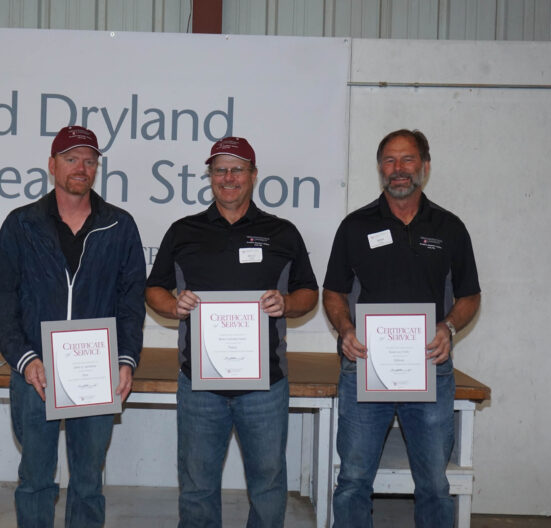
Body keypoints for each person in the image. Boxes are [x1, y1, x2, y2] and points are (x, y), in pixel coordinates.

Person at [145, 137, 319, 527]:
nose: (228, 177)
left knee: (269, 485)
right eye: (219, 169)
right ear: (209, 176)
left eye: (237, 169)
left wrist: (287, 304)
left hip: (266, 388)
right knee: (197, 487)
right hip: (199, 386)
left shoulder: (282, 232)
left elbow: (310, 292)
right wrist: (172, 306)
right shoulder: (183, 231)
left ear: (253, 176)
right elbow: (153, 288)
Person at [0, 126, 146, 528]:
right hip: (36, 372)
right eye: (72, 159)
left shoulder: (119, 226)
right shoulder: (21, 225)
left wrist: (125, 360)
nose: (81, 168)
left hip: (96, 371)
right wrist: (24, 359)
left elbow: (130, 302)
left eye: (90, 161)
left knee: (89, 480)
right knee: (36, 478)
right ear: (52, 165)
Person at [323, 129, 481, 527]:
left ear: (425, 166)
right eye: (390, 161)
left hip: (429, 366)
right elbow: (333, 293)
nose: (398, 169)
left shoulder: (449, 228)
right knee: (353, 480)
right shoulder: (355, 227)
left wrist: (448, 328)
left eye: (407, 159)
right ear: (380, 168)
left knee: (433, 484)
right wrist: (344, 330)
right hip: (364, 368)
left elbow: (469, 296)